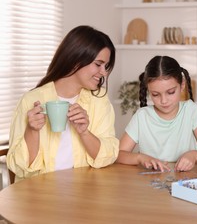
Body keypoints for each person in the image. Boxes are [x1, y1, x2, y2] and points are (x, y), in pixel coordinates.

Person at [7, 25, 119, 182]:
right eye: (98, 64)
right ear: (76, 59)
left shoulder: (99, 100)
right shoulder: (31, 100)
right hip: (38, 196)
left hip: (84, 193)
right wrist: (32, 131)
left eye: (106, 66)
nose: (104, 73)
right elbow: (20, 168)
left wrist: (84, 132)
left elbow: (108, 156)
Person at [116, 55, 197, 172]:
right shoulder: (141, 116)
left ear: (182, 85)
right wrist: (140, 158)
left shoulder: (192, 112)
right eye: (155, 94)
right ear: (148, 90)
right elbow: (118, 154)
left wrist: (195, 155)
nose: (164, 101)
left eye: (170, 92)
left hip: (186, 181)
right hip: (149, 185)